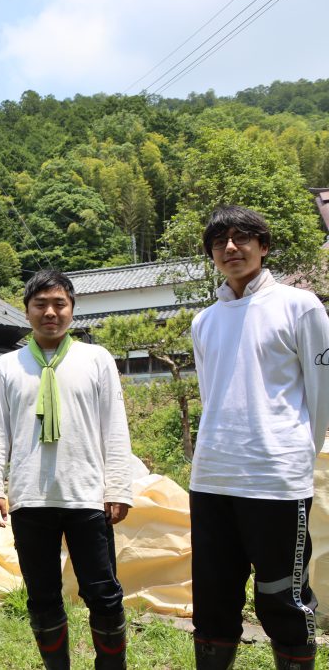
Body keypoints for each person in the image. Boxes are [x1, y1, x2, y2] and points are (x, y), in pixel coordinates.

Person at [190, 205, 329, 670]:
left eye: (241, 237)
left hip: (275, 480)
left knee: (282, 598)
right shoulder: (204, 321)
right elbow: (211, 395)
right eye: (219, 242)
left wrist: (295, 455)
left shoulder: (299, 306)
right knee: (213, 599)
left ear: (263, 246)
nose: (230, 248)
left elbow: (322, 393)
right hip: (211, 478)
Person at [0, 269, 135, 670]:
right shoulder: (7, 366)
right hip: (30, 498)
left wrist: (118, 487)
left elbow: (115, 427)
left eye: (59, 304)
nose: (50, 312)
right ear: (27, 311)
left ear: (72, 310)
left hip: (88, 496)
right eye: (40, 304)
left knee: (103, 594)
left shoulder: (96, 359)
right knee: (42, 596)